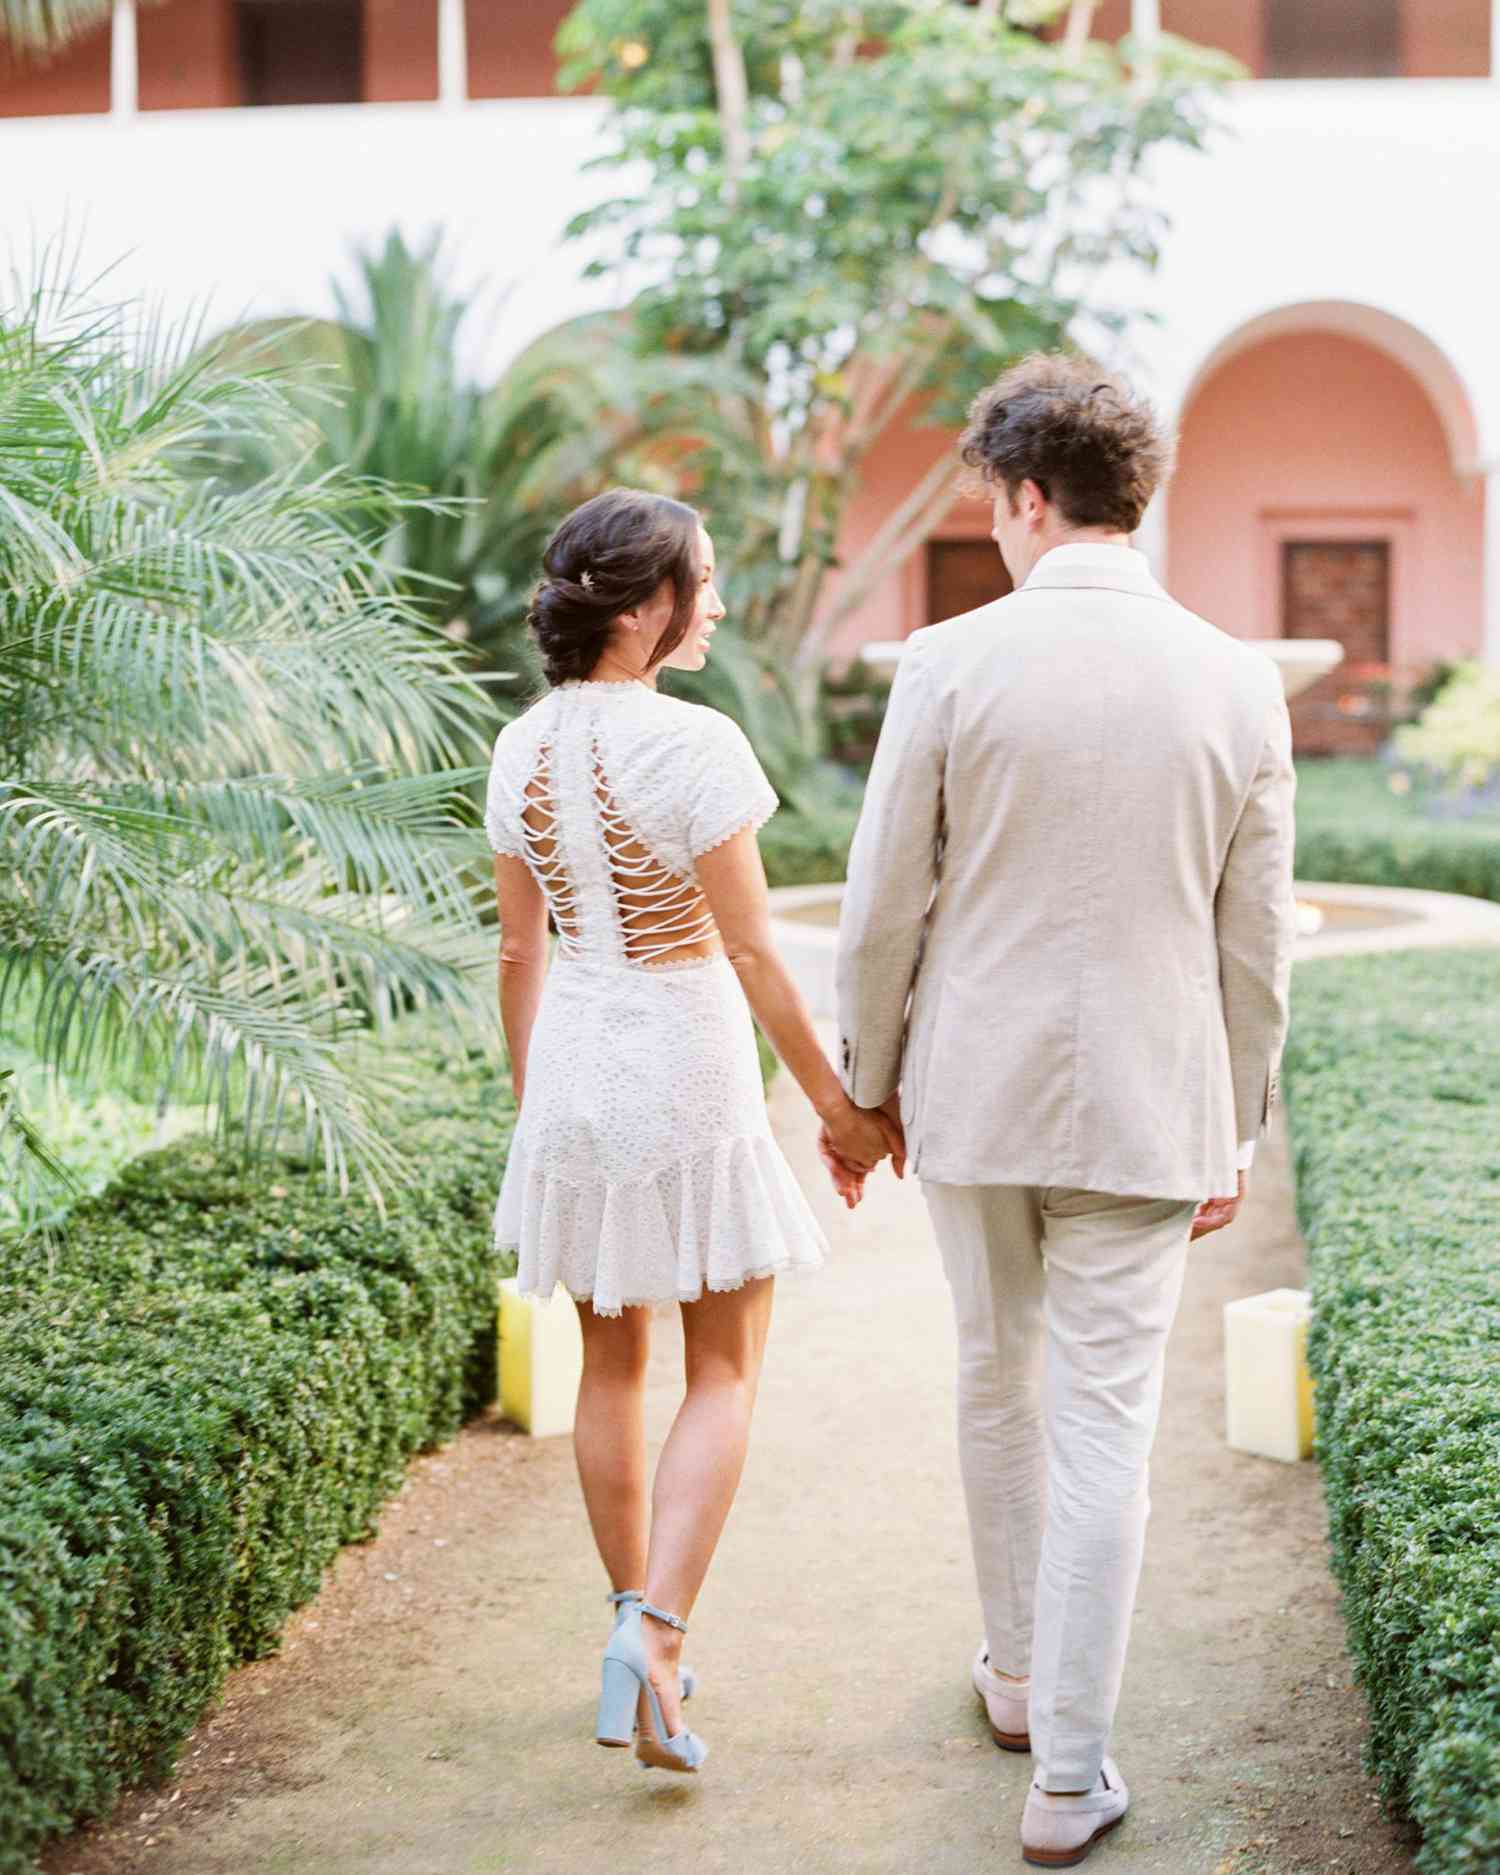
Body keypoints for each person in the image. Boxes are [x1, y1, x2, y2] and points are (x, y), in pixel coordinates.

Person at [826, 354, 1297, 1867]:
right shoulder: (1238, 678)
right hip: (1156, 1100)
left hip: (974, 1086)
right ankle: (1070, 1773)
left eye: (994, 501)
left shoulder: (947, 662)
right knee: (1107, 1423)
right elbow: (1256, 941)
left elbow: (882, 906)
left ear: (1029, 497)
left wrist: (866, 1085)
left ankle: (1020, 1678)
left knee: (992, 1374)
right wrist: (1237, 1121)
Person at [484, 487, 902, 1777]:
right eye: (700, 582)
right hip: (683, 1062)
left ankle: (629, 1620)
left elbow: (518, 952)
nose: (716, 603)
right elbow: (756, 955)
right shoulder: (699, 745)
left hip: (573, 1062)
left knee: (611, 1368)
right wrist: (841, 1112)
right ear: (641, 608)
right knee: (723, 1369)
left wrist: (537, 1108)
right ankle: (659, 1636)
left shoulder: (519, 746)